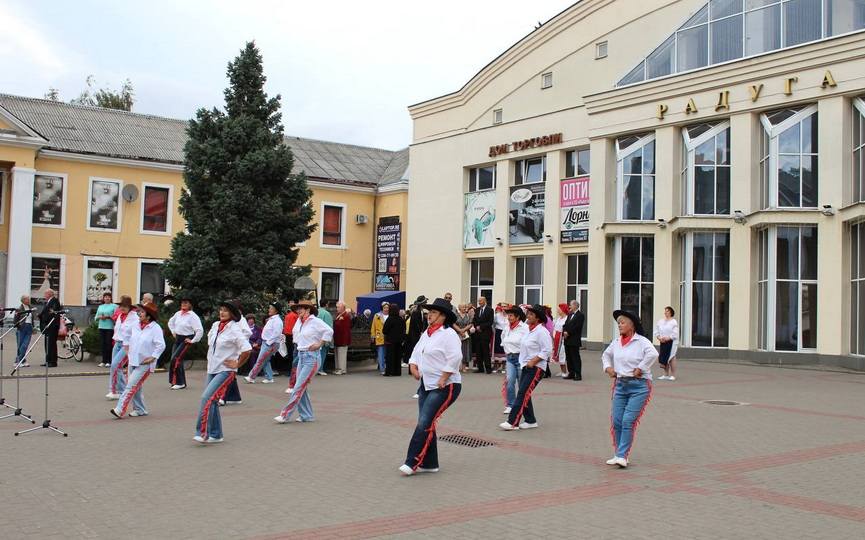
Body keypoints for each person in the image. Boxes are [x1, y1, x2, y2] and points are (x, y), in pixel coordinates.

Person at [399, 298, 462, 476]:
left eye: (433, 313)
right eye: (428, 312)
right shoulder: (427, 332)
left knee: (424, 421)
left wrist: (444, 376)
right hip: (426, 384)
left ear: (443, 316)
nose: (429, 315)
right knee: (428, 422)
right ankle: (430, 463)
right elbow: (417, 351)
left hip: (446, 386)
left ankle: (411, 461)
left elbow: (455, 357)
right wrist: (413, 365)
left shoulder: (449, 334)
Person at [602, 310, 658, 468]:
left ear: (632, 325)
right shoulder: (616, 342)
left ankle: (622, 455)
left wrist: (641, 368)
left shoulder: (641, 341)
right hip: (620, 385)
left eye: (623, 322)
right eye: (618, 323)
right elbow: (605, 356)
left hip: (639, 386)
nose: (619, 325)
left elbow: (653, 354)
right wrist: (608, 368)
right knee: (617, 421)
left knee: (627, 421)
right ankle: (618, 453)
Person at [194, 300, 252, 443]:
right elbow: (210, 341)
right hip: (212, 368)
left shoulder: (234, 329)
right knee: (212, 401)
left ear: (232, 314)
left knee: (206, 398)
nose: (222, 312)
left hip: (225, 370)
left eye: (225, 310)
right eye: (220, 310)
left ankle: (202, 432)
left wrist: (237, 363)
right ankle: (216, 434)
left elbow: (247, 349)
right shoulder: (215, 325)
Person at [274, 301, 333, 423]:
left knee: (299, 386)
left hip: (311, 357)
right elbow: (295, 335)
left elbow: (329, 331)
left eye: (301, 309)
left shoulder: (315, 321)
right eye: (297, 309)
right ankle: (306, 415)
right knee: (301, 387)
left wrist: (319, 344)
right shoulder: (300, 322)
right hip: (301, 355)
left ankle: (285, 414)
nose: (298, 311)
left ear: (308, 310)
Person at [500, 304, 551, 430]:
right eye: (528, 313)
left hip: (536, 368)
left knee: (522, 393)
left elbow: (547, 350)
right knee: (524, 392)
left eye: (531, 314)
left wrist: (534, 361)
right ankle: (530, 420)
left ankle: (513, 422)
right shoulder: (530, 330)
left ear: (538, 318)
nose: (527, 316)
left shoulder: (542, 332)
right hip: (526, 366)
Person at [111, 303, 165, 418]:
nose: (138, 313)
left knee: (131, 385)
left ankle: (120, 409)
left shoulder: (155, 328)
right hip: (133, 360)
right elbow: (125, 334)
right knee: (136, 385)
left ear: (149, 315)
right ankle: (140, 409)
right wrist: (127, 348)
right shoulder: (135, 324)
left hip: (145, 363)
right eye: (139, 311)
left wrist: (153, 357)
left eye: (142, 312)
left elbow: (161, 345)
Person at [166, 295, 204, 389]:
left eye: (186, 303)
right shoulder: (178, 314)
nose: (183, 304)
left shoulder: (192, 316)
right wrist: (173, 331)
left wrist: (193, 340)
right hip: (178, 338)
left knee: (175, 359)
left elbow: (199, 330)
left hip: (186, 339)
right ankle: (181, 382)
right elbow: (170, 322)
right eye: (182, 302)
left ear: (190, 304)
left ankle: (178, 382)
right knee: (177, 359)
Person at [500, 304, 528, 415]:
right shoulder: (507, 328)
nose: (509, 317)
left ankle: (522, 404)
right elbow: (503, 338)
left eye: (511, 315)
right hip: (510, 357)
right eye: (508, 315)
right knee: (509, 381)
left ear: (517, 317)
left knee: (522, 383)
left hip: (520, 358)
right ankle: (510, 405)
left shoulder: (524, 328)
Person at [245, 302, 282, 384]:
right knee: (265, 359)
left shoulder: (277, 321)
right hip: (267, 342)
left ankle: (251, 376)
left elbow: (277, 333)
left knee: (261, 360)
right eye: (270, 308)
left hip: (270, 343)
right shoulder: (272, 319)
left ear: (276, 311)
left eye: (271, 308)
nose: (269, 310)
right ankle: (269, 377)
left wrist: (269, 342)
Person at [106, 297, 136, 399]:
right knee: (115, 367)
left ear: (130, 307)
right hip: (117, 343)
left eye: (125, 306)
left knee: (115, 365)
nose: (123, 308)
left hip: (127, 345)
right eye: (121, 306)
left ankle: (113, 390)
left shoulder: (134, 317)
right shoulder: (119, 316)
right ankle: (122, 390)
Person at [654, 306, 679, 381]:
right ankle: (665, 374)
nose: (665, 312)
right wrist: (659, 337)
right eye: (665, 311)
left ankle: (673, 374)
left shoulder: (673, 321)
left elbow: (675, 332)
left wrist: (669, 338)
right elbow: (656, 331)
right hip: (663, 341)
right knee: (664, 357)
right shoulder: (661, 321)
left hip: (671, 341)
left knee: (671, 357)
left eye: (667, 311)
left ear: (671, 312)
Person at [562, 300, 585, 380]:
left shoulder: (580, 315)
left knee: (575, 358)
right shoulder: (570, 315)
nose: (569, 307)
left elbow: (577, 327)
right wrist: (564, 331)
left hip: (574, 340)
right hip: (567, 339)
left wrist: (568, 332)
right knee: (568, 357)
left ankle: (578, 374)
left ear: (575, 306)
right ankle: (571, 373)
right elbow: (565, 324)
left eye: (571, 305)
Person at [471, 296, 494, 374]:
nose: (479, 302)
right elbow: (474, 320)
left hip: (485, 333)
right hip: (477, 334)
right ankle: (480, 368)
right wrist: (476, 326)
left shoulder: (490, 310)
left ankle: (488, 368)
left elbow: (490, 322)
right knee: (478, 351)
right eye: (478, 301)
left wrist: (481, 327)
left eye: (480, 301)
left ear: (484, 301)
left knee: (485, 351)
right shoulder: (477, 310)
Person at [39, 289, 61, 367]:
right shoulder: (47, 302)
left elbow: (54, 310)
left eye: (45, 293)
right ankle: (48, 360)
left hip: (52, 325)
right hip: (47, 326)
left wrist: (53, 311)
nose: (44, 295)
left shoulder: (54, 300)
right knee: (47, 343)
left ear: (50, 294)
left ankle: (53, 361)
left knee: (51, 343)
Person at [95, 293, 118, 367]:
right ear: (103, 299)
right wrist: (100, 317)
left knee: (108, 344)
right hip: (102, 326)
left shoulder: (114, 306)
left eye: (109, 297)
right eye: (106, 297)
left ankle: (109, 360)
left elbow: (116, 316)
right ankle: (103, 360)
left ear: (111, 298)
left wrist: (108, 317)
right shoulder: (100, 306)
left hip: (110, 327)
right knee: (103, 344)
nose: (107, 298)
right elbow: (96, 317)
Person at [382, 302, 405, 376]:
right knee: (397, 356)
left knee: (390, 356)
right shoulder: (400, 319)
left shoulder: (389, 319)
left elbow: (384, 330)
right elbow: (403, 328)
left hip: (390, 340)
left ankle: (389, 372)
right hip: (399, 340)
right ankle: (397, 371)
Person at [13, 295, 36, 367]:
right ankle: (21, 361)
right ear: (23, 300)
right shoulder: (19, 308)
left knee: (25, 344)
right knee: (20, 345)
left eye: (29, 299)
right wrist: (18, 326)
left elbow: (33, 317)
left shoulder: (31, 307)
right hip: (22, 327)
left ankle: (19, 360)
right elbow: (15, 319)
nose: (28, 301)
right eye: (27, 300)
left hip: (29, 327)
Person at [332, 301, 352, 375]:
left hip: (342, 339)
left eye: (338, 307)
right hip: (337, 338)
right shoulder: (339, 315)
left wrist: (345, 340)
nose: (336, 308)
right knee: (337, 354)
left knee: (342, 355)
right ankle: (337, 368)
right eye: (337, 307)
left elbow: (346, 329)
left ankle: (342, 369)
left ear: (343, 308)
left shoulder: (345, 316)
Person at [550, 303, 570, 378]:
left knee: (562, 354)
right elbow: (555, 327)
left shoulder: (566, 318)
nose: (558, 311)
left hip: (562, 339)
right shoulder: (559, 319)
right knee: (558, 354)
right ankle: (562, 371)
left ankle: (565, 371)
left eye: (559, 309)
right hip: (557, 338)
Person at [315, 299, 333, 375]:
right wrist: (330, 339)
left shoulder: (316, 312)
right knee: (322, 353)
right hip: (323, 337)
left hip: (316, 336)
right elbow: (329, 326)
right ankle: (320, 368)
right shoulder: (327, 314)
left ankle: (315, 368)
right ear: (326, 304)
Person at [453, 303, 472, 374]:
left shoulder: (468, 316)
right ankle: (457, 366)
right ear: (459, 308)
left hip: (465, 335)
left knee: (465, 350)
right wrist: (460, 331)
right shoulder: (456, 315)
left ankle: (464, 367)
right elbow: (453, 324)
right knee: (457, 350)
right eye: (463, 307)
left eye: (465, 307)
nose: (464, 308)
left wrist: (463, 330)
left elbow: (470, 324)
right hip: (457, 334)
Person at [370, 302, 389, 375]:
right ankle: (382, 368)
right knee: (380, 353)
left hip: (388, 337)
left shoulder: (390, 316)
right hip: (379, 336)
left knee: (387, 353)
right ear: (382, 308)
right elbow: (373, 326)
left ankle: (387, 366)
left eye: (387, 308)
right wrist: (373, 335)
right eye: (385, 308)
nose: (386, 309)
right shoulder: (377, 315)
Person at [492, 304, 508, 373]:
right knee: (497, 348)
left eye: (505, 306)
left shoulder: (509, 315)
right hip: (498, 332)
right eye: (503, 306)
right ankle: (495, 365)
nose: (503, 308)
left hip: (506, 333)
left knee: (504, 348)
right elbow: (493, 324)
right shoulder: (497, 315)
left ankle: (503, 367)